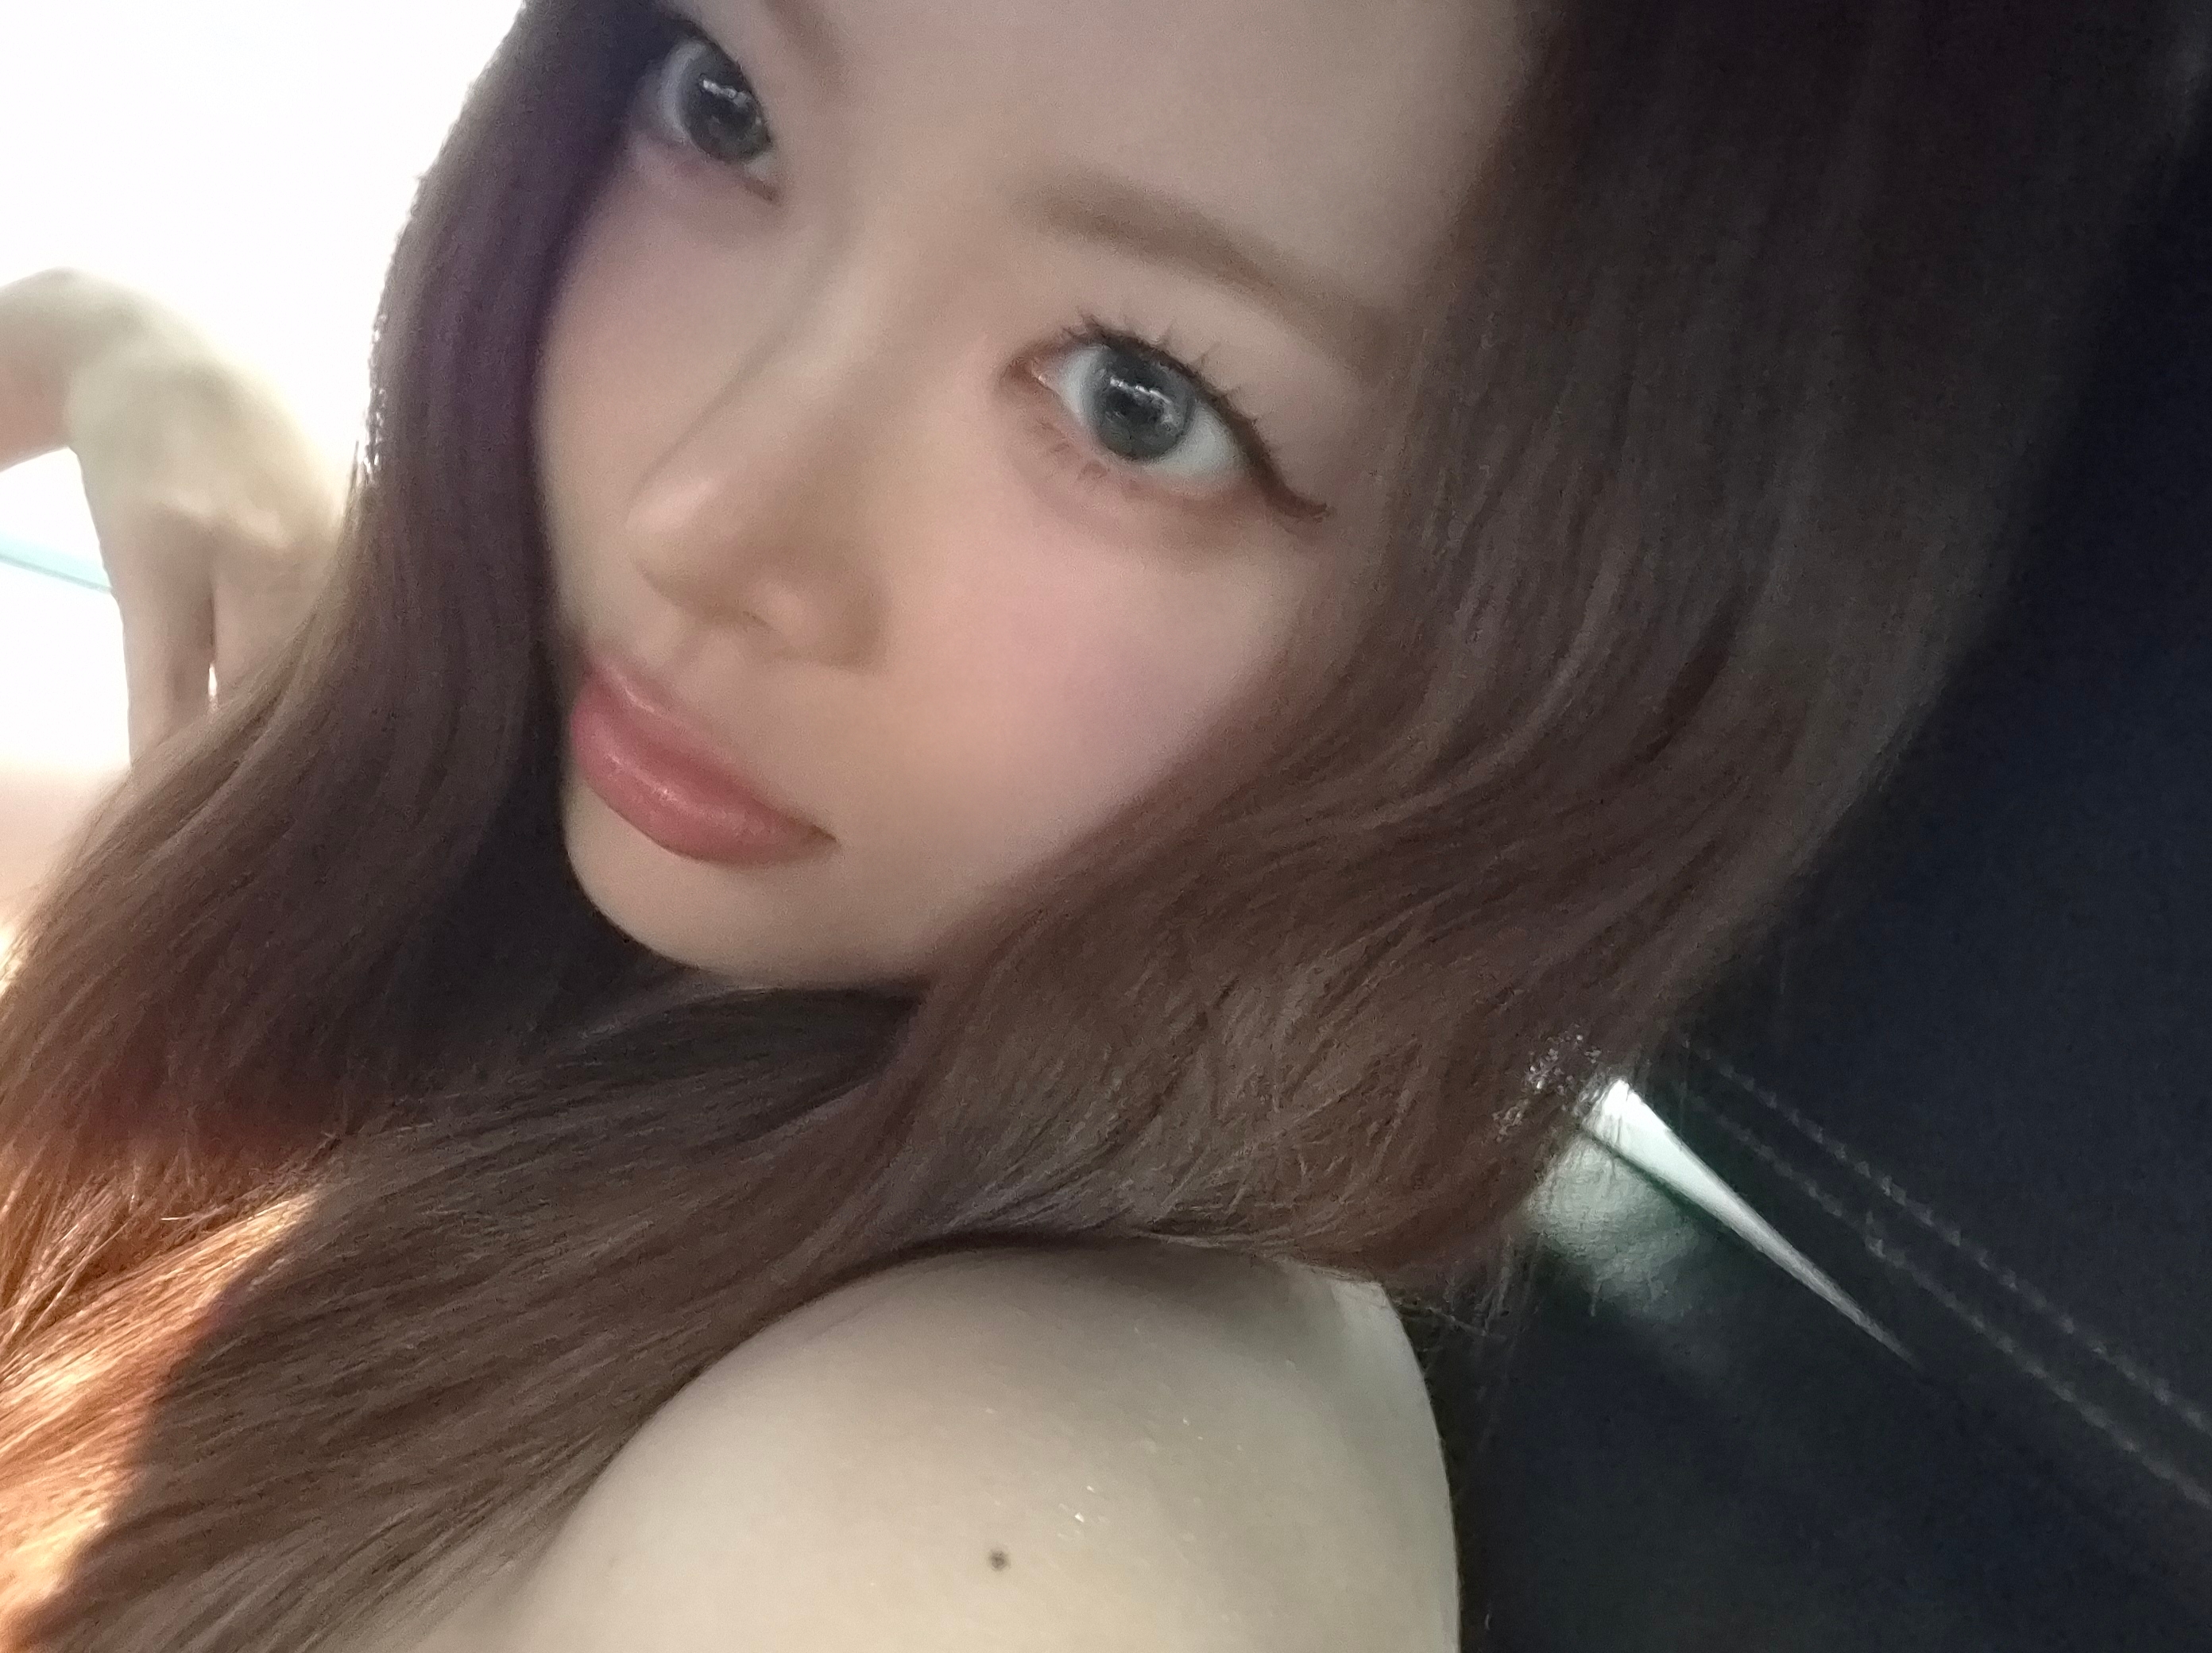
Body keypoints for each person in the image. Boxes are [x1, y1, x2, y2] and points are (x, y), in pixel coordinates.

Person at [0, 0, 2183, 1647]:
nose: (702, 520)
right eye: (726, 104)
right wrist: (107, 337)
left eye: (1140, 403)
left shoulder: (972, 1508)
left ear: (1591, 645)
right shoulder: (602, 954)